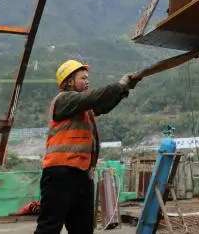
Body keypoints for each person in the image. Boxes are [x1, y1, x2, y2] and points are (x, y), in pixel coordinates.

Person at [35, 59, 141, 234]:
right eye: (83, 78)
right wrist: (120, 84)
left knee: (82, 228)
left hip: (82, 175)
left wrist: (124, 89)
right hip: (60, 174)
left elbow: (103, 105)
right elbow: (95, 97)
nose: (87, 81)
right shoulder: (64, 100)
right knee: (49, 226)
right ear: (69, 81)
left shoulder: (83, 107)